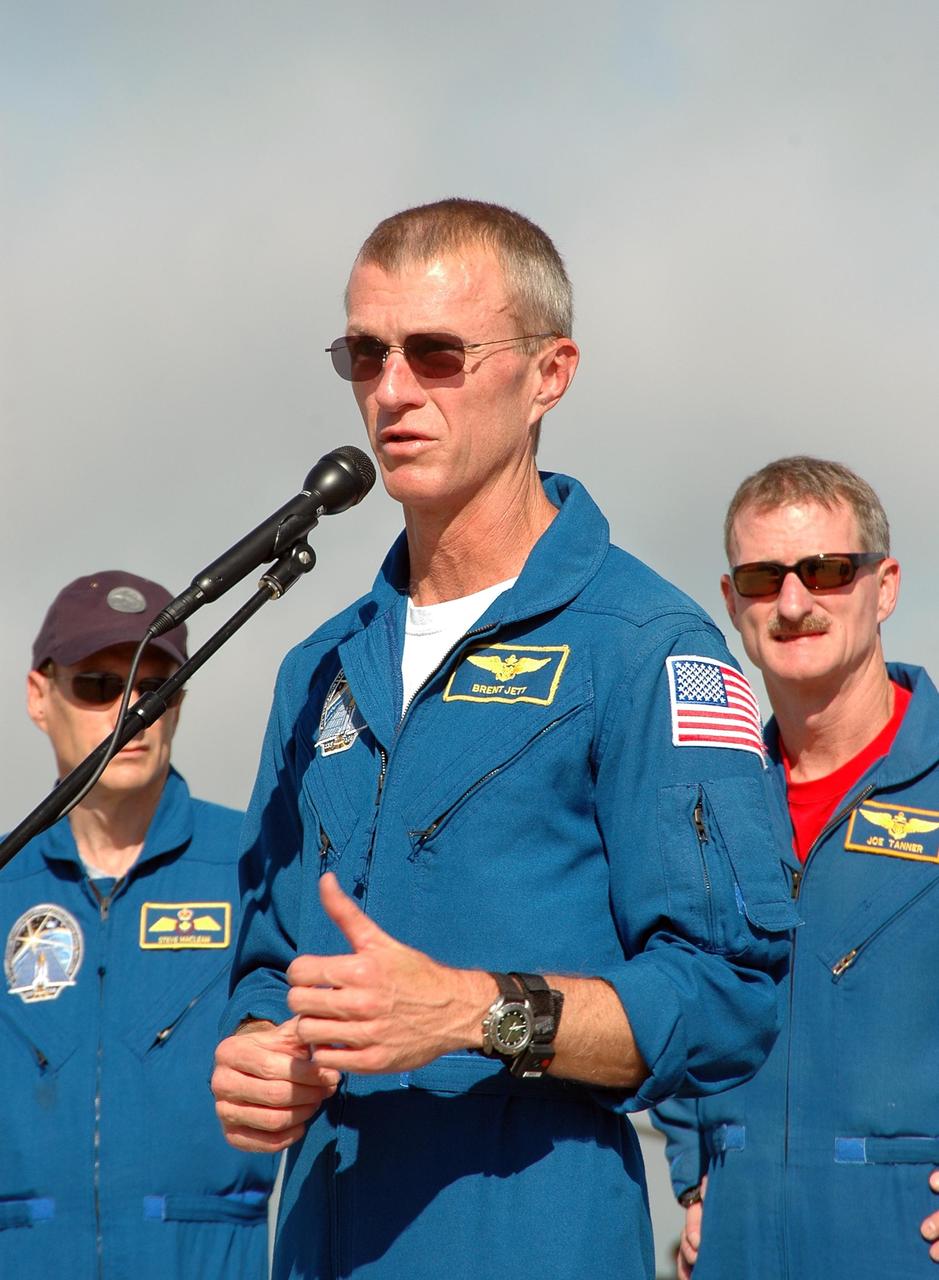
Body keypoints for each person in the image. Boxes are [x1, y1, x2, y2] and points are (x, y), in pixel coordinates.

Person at [211, 197, 798, 1280]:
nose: (391, 391)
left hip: (529, 1223)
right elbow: (263, 970)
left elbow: (727, 999)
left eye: (437, 352)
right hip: (321, 1235)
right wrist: (256, 1058)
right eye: (365, 353)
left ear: (549, 372)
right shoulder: (316, 670)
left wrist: (477, 1011)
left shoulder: (651, 648)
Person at [655, 456, 939, 1278]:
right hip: (737, 1249)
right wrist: (695, 1175)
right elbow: (657, 979)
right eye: (761, 576)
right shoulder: (702, 801)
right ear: (730, 602)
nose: (791, 602)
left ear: (883, 587)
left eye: (825, 570)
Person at [1, 570, 276, 1278]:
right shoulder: (5, 887)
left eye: (152, 690)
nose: (130, 714)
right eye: (97, 686)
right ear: (40, 696)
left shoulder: (263, 869)